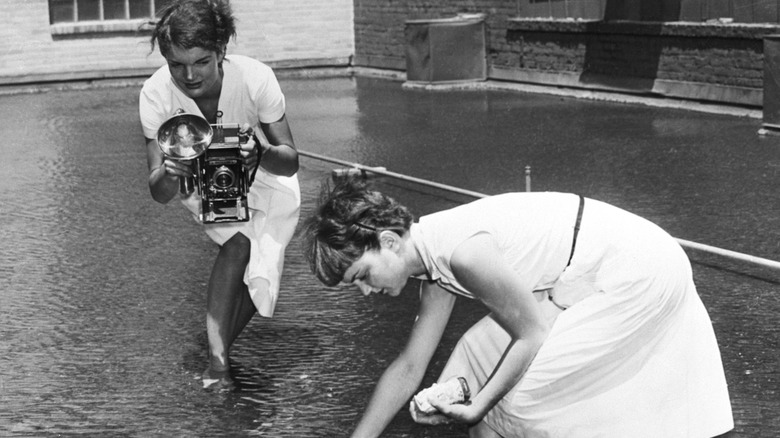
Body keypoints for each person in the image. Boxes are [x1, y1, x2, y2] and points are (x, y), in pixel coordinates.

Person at [302, 177, 733, 437]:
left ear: (389, 242)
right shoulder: (434, 266)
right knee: (474, 356)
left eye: (361, 275)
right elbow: (410, 368)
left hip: (637, 270)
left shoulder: (463, 255)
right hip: (584, 278)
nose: (365, 291)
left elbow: (532, 334)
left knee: (517, 401)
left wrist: (478, 406)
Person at [139, 0, 300, 390]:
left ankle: (218, 351)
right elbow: (158, 191)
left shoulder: (256, 78)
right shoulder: (155, 94)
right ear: (165, 58)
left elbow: (290, 161)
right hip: (201, 184)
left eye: (201, 62)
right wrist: (171, 172)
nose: (189, 75)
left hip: (268, 178)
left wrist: (258, 152)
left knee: (261, 273)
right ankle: (218, 363)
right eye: (176, 64)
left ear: (222, 51)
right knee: (241, 245)